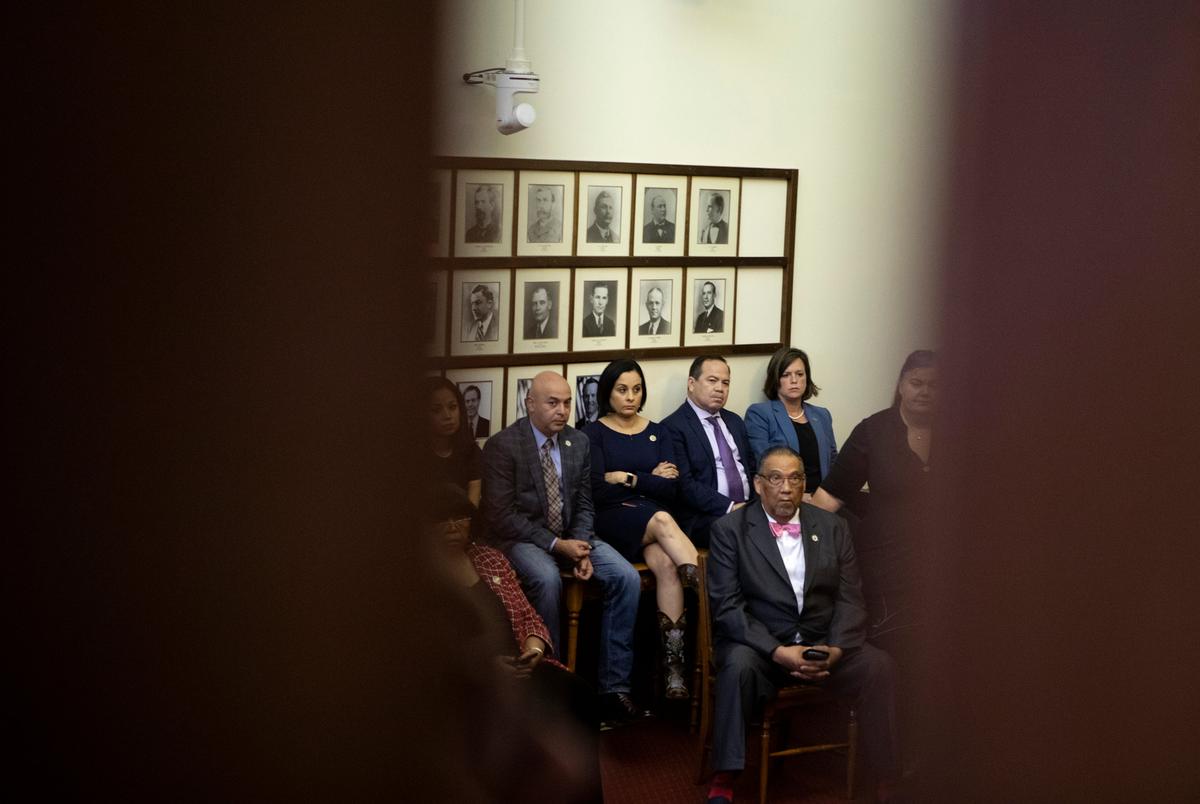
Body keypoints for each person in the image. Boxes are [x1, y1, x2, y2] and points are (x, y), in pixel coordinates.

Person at [706, 446, 900, 804]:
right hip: (763, 650)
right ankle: (725, 777)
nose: (785, 488)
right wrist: (779, 652)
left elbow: (850, 596)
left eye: (795, 478)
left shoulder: (832, 526)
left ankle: (886, 776)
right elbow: (728, 608)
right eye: (775, 479)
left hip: (822, 645)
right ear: (758, 484)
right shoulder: (729, 530)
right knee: (736, 666)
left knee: (878, 666)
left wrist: (837, 649)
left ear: (804, 484)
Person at [481, 371, 645, 726]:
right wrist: (558, 546)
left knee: (626, 577)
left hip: (573, 534)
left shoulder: (578, 442)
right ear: (530, 404)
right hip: (523, 538)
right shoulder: (503, 445)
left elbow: (585, 502)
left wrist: (581, 548)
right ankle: (549, 690)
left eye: (567, 402)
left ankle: (612, 690)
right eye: (553, 403)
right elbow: (501, 515)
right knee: (547, 578)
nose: (562, 410)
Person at [427, 484, 603, 803]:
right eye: (443, 520)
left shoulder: (491, 559)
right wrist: (486, 666)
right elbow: (431, 650)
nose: (453, 526)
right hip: (468, 681)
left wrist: (534, 649)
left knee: (581, 695)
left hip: (521, 666)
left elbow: (527, 615)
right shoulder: (425, 577)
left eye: (460, 518)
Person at [582, 359, 702, 701]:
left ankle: (673, 670)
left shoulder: (658, 430)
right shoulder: (594, 433)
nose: (630, 397)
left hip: (651, 515)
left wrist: (626, 477)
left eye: (636, 389)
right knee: (665, 521)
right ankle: (712, 599)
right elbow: (596, 490)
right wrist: (650, 480)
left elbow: (672, 489)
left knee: (666, 565)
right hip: (613, 518)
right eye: (622, 390)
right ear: (608, 392)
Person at [809, 350, 937, 662]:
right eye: (916, 383)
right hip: (887, 568)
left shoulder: (962, 432)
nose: (924, 391)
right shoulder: (873, 431)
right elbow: (828, 499)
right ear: (901, 385)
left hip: (942, 566)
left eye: (934, 385)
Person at [662, 356, 756, 548]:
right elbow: (685, 485)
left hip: (748, 508)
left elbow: (752, 469)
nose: (720, 388)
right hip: (705, 517)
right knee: (748, 533)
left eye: (725, 383)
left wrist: (758, 505)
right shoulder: (672, 427)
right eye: (712, 381)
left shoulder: (735, 422)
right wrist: (731, 508)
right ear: (691, 383)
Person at [745, 346, 838, 496]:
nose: (794, 380)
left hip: (823, 498)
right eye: (786, 375)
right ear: (776, 379)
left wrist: (827, 497)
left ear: (806, 378)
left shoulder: (822, 415)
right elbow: (764, 465)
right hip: (784, 498)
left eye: (799, 374)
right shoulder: (760, 414)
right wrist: (801, 497)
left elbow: (833, 461)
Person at [426, 377, 483, 506]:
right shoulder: (411, 455)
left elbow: (472, 506)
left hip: (464, 521)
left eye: (452, 407)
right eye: (436, 410)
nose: (447, 416)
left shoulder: (471, 451)